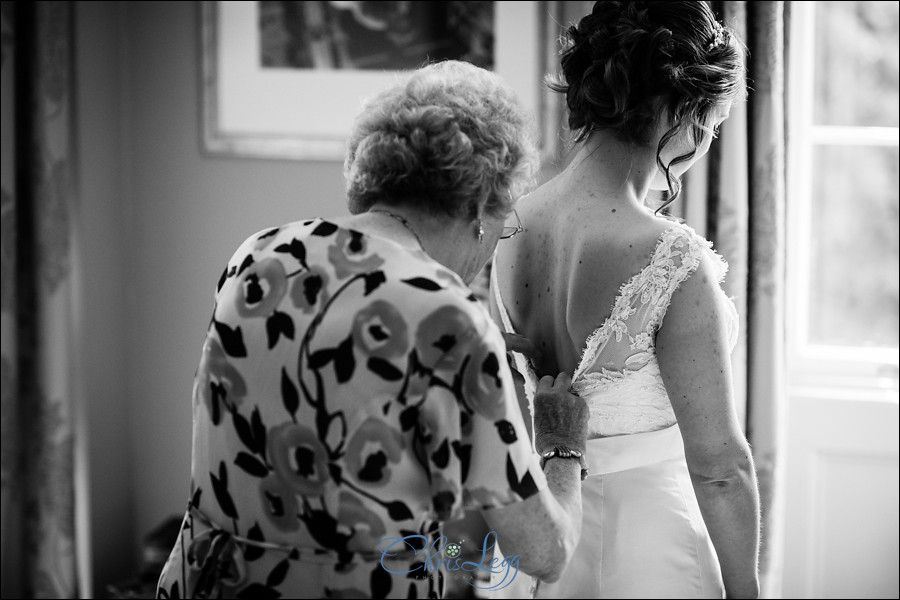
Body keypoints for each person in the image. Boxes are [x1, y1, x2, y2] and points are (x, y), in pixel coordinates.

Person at [155, 60, 589, 600]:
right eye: (507, 222)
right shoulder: (451, 320)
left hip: (210, 581)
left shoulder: (259, 253)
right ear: (481, 205)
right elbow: (542, 554)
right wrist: (561, 446)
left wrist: (456, 367)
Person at [490, 2, 761, 598]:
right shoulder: (670, 260)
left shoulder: (505, 225)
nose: (709, 140)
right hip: (656, 552)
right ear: (682, 110)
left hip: (551, 535)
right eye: (711, 123)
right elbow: (721, 471)